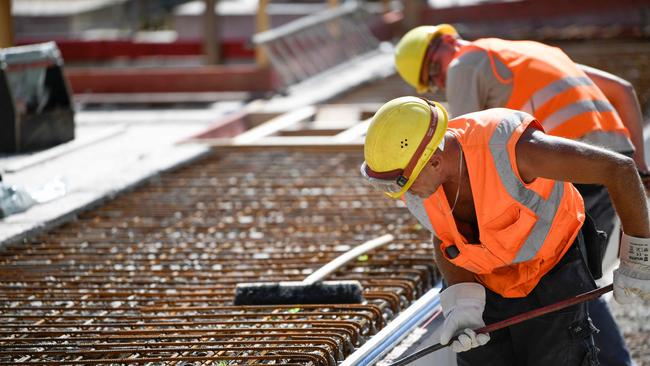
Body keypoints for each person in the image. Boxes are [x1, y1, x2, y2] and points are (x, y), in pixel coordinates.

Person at [393, 24, 649, 365]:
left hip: (567, 169)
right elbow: (622, 89)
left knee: (561, 273)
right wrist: (640, 168)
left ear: (444, 51)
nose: (441, 84)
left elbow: (458, 146)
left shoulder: (462, 64)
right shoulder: (529, 51)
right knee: (575, 276)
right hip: (606, 158)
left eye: (434, 76)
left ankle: (611, 361)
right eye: (434, 83)